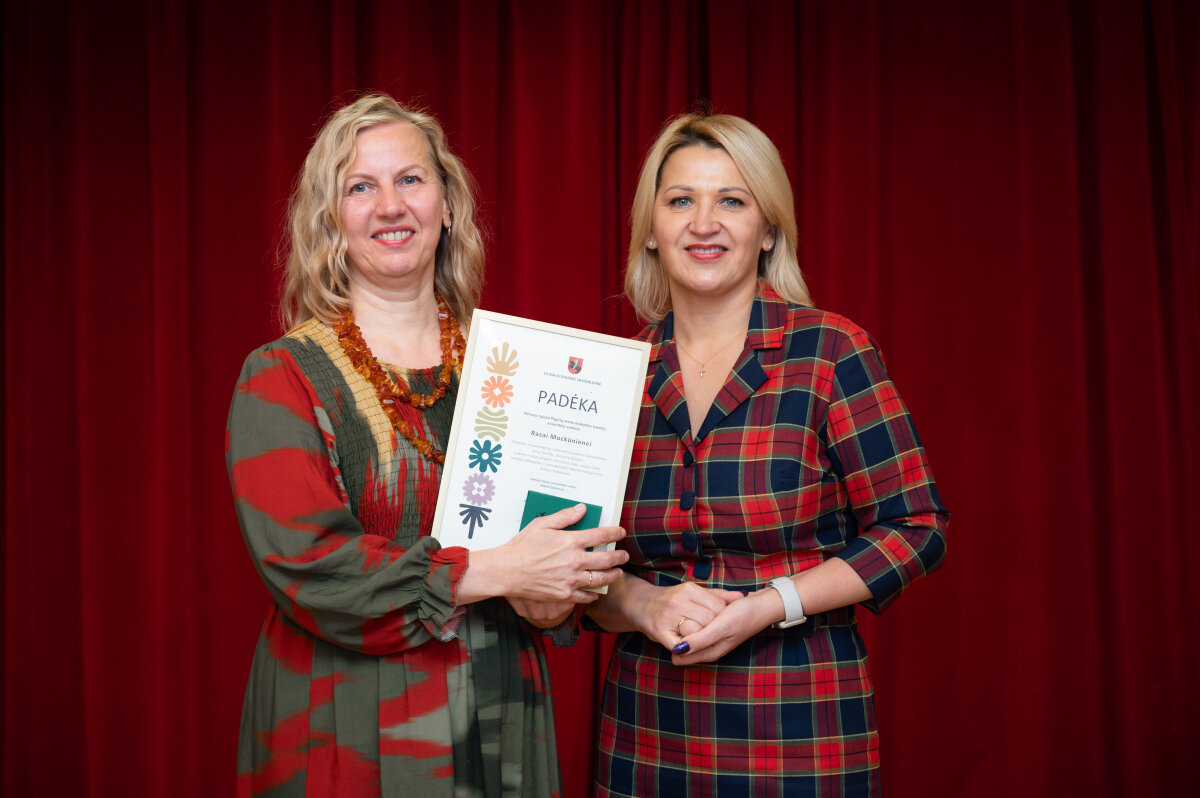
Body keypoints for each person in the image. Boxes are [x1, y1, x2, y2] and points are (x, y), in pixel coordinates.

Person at [226, 94, 628, 797]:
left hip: (498, 711)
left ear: (447, 206)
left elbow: (550, 552)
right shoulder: (282, 375)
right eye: (361, 187)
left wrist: (556, 592)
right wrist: (499, 570)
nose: (390, 206)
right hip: (345, 723)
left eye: (410, 179)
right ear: (329, 218)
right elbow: (311, 565)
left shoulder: (514, 366)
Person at [586, 113, 949, 796]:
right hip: (648, 729)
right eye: (681, 200)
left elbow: (916, 528)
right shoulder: (612, 375)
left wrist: (770, 603)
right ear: (651, 231)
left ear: (769, 229)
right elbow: (573, 569)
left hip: (799, 723)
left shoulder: (831, 352)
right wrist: (639, 602)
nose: (704, 223)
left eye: (732, 200)